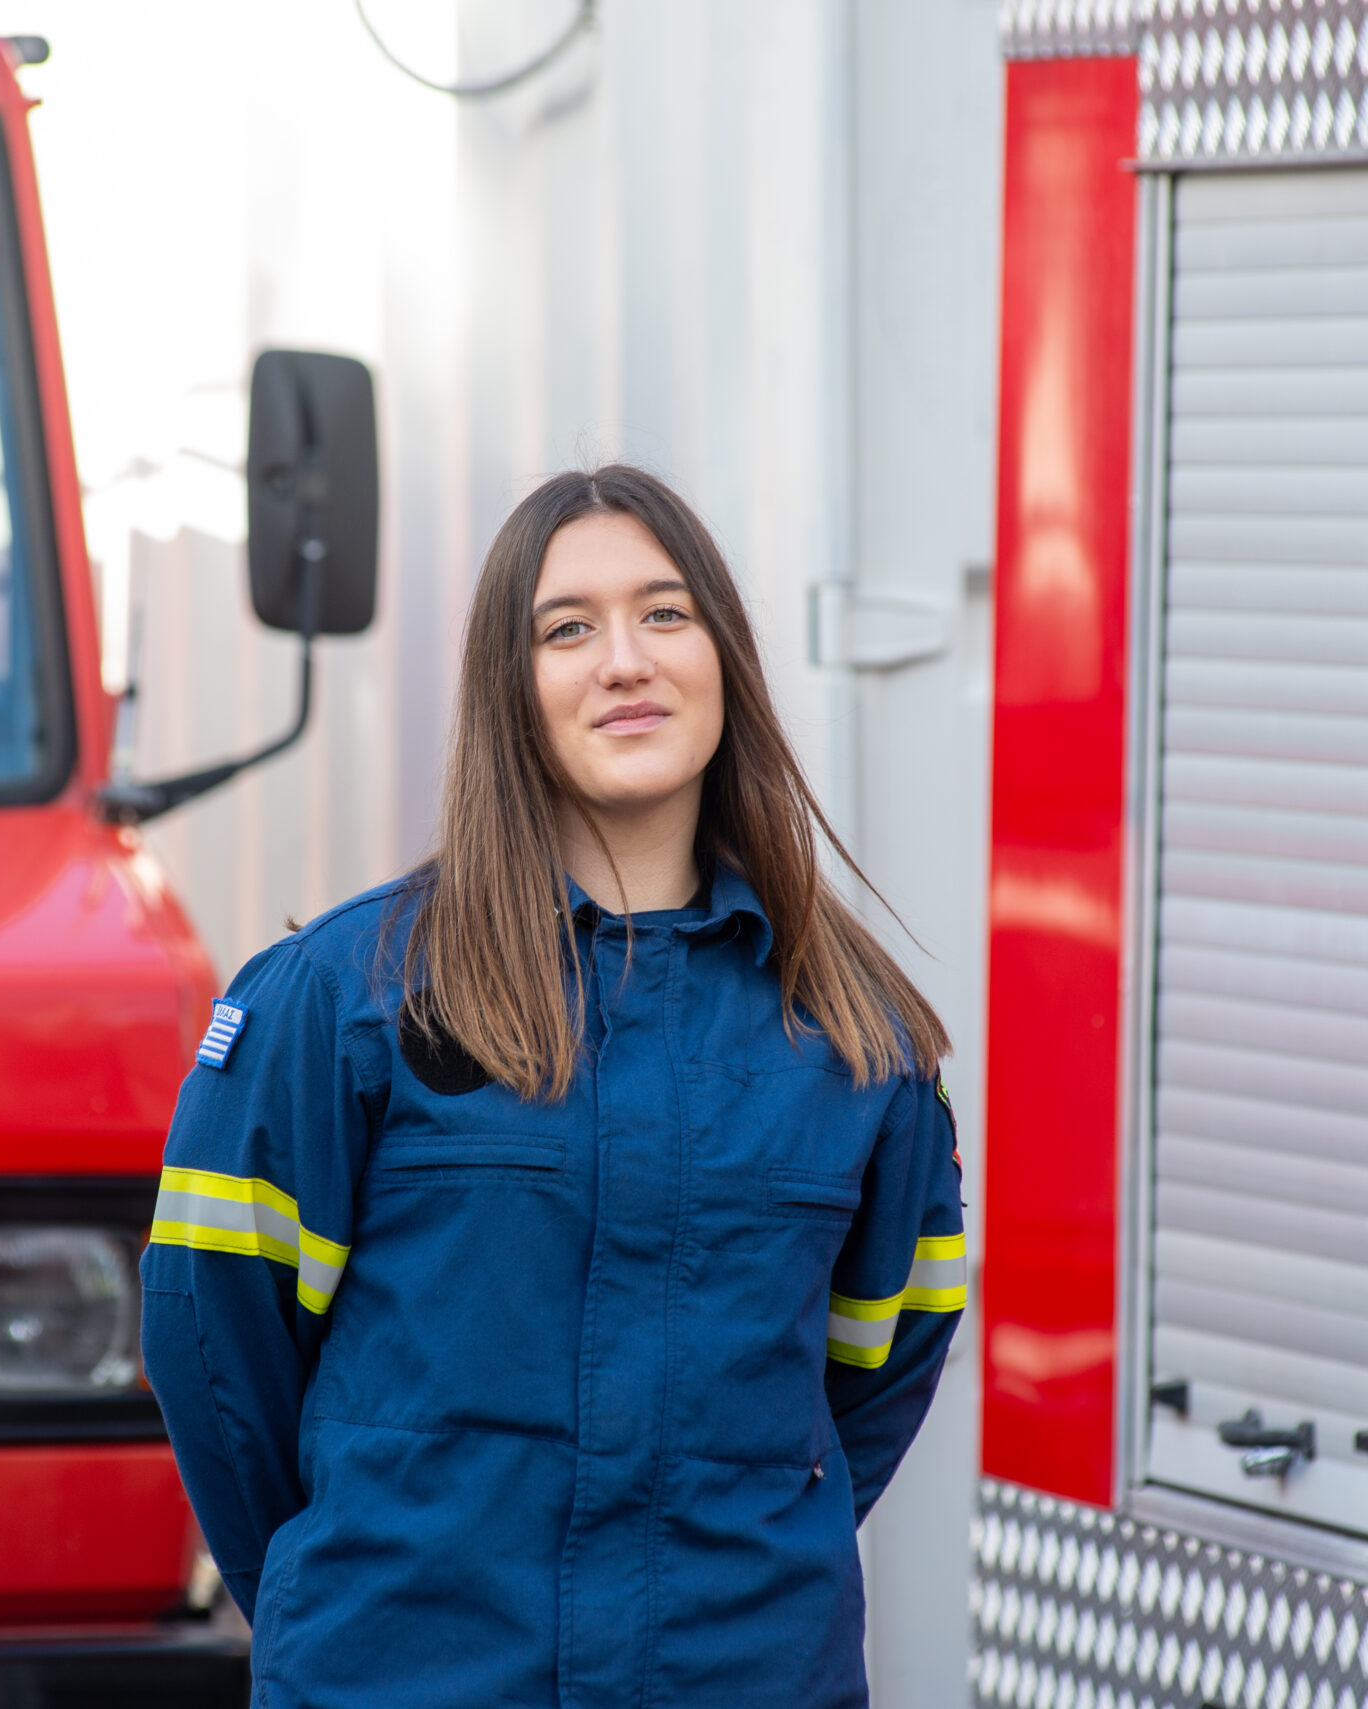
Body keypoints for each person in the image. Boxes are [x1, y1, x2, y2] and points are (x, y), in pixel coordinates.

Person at [140, 465, 966, 1708]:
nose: (623, 660)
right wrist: (349, 1597)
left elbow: (877, 1361)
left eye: (665, 613)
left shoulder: (853, 1033)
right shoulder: (346, 998)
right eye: (566, 628)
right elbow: (217, 1350)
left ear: (725, 659)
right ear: (508, 690)